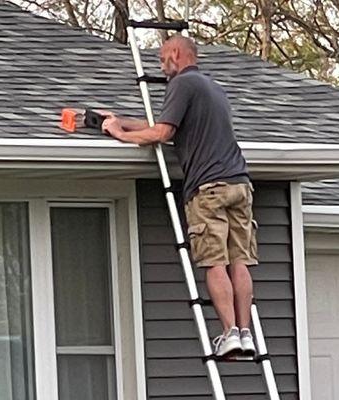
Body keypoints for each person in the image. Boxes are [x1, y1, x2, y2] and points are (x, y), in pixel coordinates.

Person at [101, 35, 258, 357]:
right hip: (239, 185)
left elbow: (162, 133)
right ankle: (245, 333)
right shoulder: (212, 87)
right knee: (239, 262)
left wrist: (119, 136)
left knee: (215, 262)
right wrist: (120, 121)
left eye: (162, 57)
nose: (160, 63)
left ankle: (228, 333)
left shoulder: (182, 85)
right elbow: (166, 125)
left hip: (209, 188)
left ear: (176, 53)